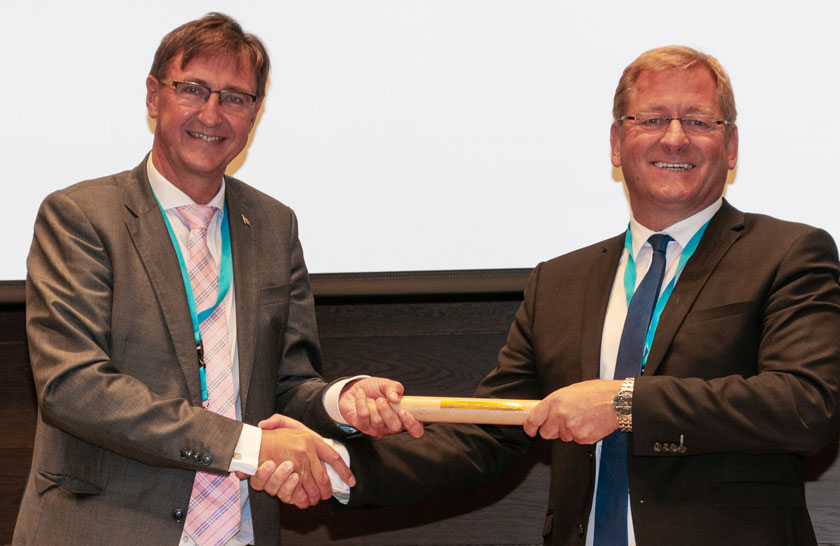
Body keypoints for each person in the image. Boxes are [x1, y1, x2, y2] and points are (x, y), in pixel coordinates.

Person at [293, 46, 840, 546]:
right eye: (651, 119)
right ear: (615, 143)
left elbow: (805, 404)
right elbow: (488, 435)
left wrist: (624, 403)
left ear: (732, 145)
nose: (674, 137)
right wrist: (338, 464)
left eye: (697, 121)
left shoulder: (790, 253)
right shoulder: (559, 281)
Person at [13, 13, 421, 546]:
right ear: (153, 96)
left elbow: (288, 385)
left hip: (241, 531)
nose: (212, 113)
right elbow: (74, 388)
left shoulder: (275, 225)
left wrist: (339, 402)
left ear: (254, 114)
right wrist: (246, 447)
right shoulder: (81, 216)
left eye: (235, 98)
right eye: (193, 90)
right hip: (106, 527)